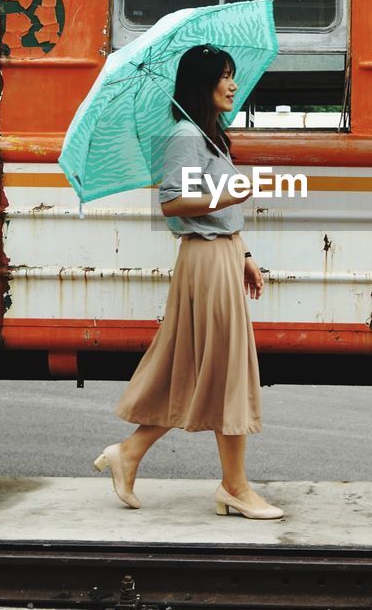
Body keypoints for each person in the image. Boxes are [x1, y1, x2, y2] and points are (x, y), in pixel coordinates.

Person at [93, 44, 282, 520]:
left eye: (232, 75)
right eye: (224, 76)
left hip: (222, 257)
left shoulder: (210, 135)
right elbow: (172, 203)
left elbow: (221, 211)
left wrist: (245, 254)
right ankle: (235, 486)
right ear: (201, 83)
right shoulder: (184, 136)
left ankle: (130, 453)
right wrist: (229, 192)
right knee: (224, 370)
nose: (233, 84)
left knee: (203, 369)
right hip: (204, 263)